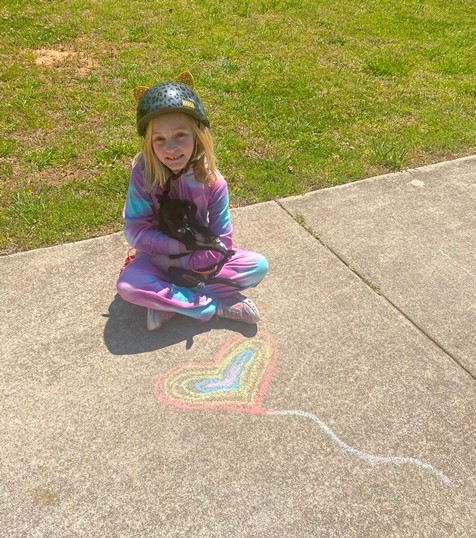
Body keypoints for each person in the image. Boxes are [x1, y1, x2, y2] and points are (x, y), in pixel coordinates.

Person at [116, 71, 269, 330]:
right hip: (157, 259)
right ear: (149, 144)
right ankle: (215, 306)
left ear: (198, 135)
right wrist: (172, 253)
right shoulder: (144, 174)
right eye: (159, 140)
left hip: (200, 258)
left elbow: (223, 239)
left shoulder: (213, 182)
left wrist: (190, 261)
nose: (171, 149)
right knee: (128, 286)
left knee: (256, 266)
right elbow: (135, 229)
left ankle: (170, 301)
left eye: (180, 136)